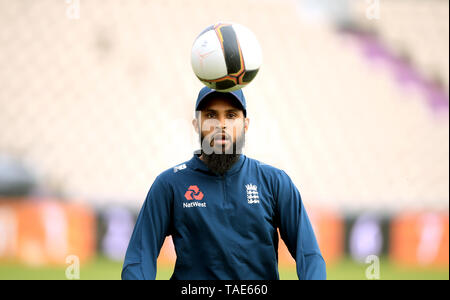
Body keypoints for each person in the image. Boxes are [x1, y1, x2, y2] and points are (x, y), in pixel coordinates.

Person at [121, 86, 326, 280]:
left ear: (245, 124)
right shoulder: (170, 184)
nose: (221, 124)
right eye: (211, 115)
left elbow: (308, 254)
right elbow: (139, 257)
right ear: (196, 124)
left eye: (231, 115)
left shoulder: (274, 182)